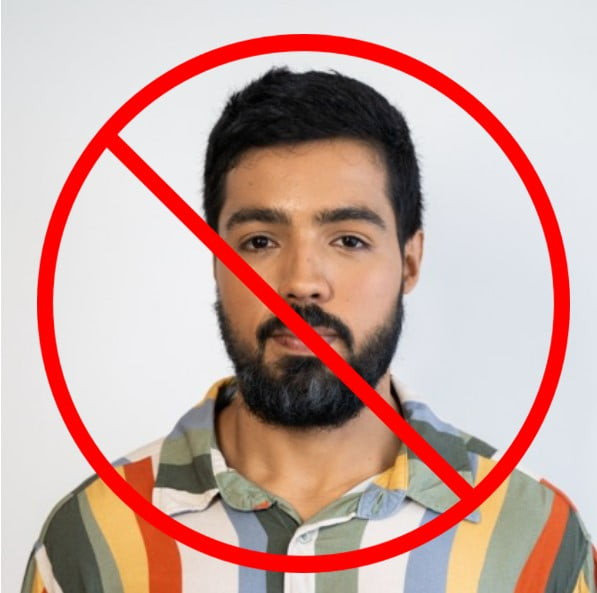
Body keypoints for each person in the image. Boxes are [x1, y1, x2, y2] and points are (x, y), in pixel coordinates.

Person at [22, 68, 596, 593]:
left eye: (348, 240)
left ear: (410, 262)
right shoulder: (88, 540)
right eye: (260, 242)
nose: (300, 284)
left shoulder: (536, 543)